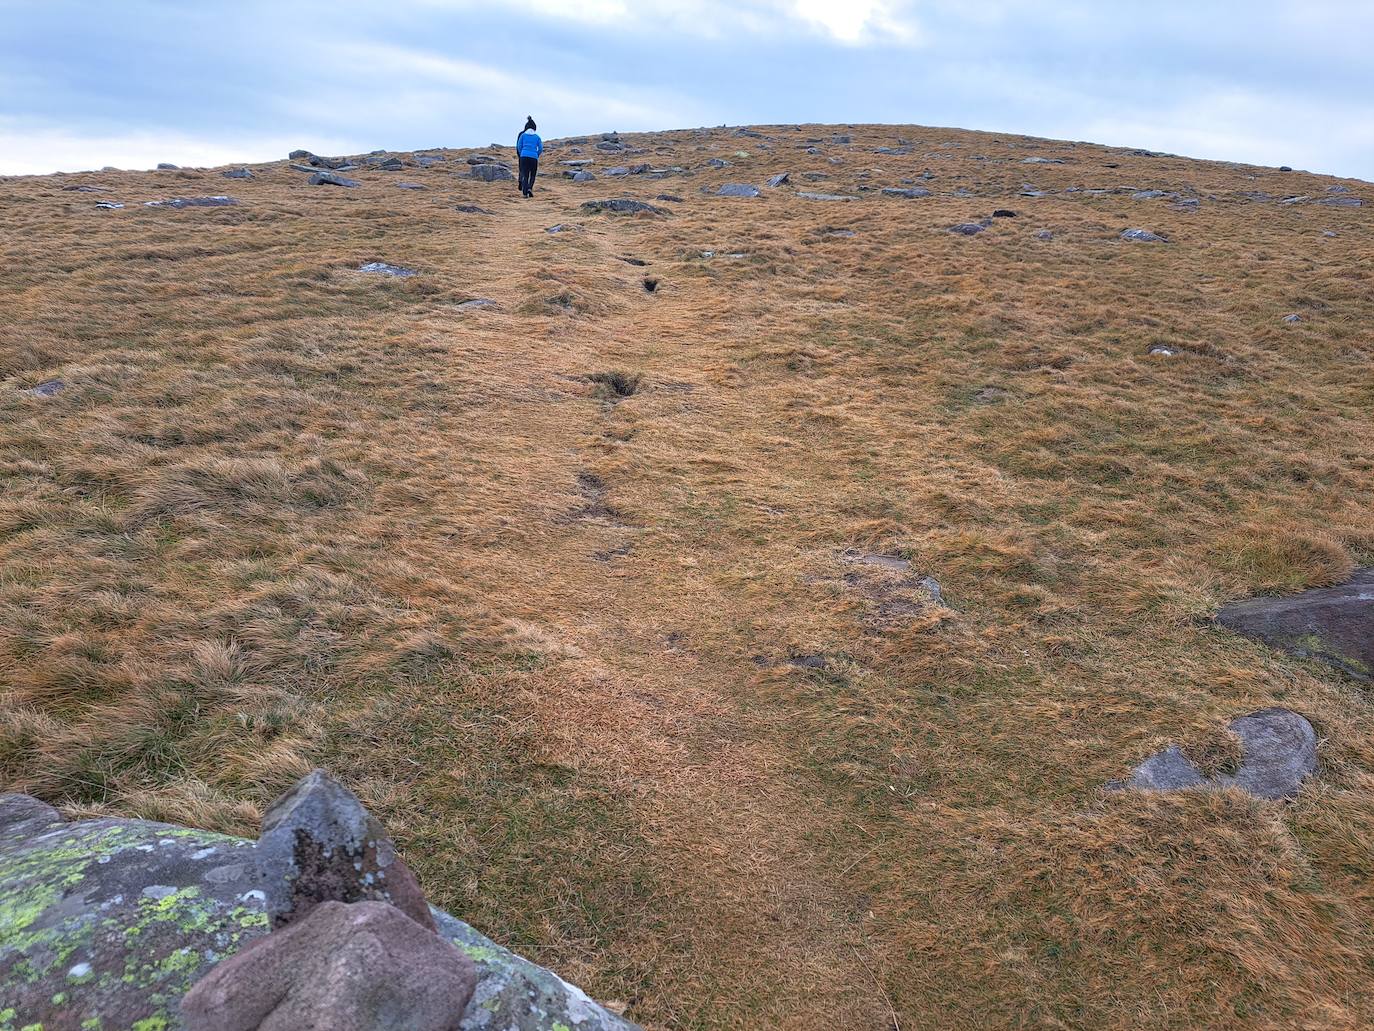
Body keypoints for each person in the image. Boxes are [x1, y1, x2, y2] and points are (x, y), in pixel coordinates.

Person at [516, 116, 543, 198]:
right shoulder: (537, 137)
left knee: (525, 175)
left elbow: (518, 146)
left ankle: (524, 194)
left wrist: (522, 154)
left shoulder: (523, 135)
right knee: (533, 175)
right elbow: (541, 148)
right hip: (533, 157)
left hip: (524, 156)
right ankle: (530, 188)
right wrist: (536, 154)